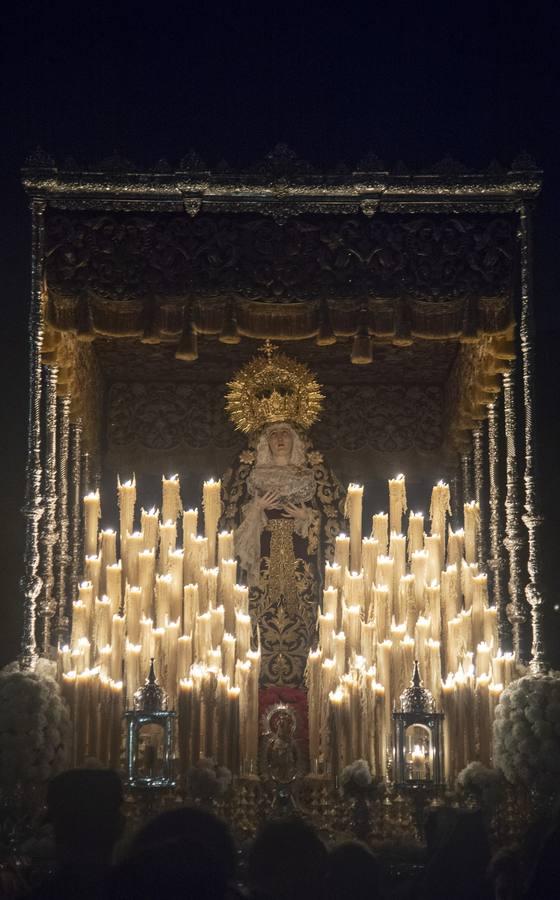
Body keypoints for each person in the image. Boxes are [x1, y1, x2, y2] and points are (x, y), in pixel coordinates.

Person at [222, 350, 345, 688]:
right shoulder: (248, 475)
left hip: (301, 564)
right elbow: (227, 526)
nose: (279, 439)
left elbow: (335, 524)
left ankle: (308, 680)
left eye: (285, 433)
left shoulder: (314, 475)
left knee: (301, 618)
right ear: (264, 440)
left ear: (295, 440)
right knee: (257, 619)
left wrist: (309, 517)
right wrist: (256, 509)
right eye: (273, 433)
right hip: (259, 563)